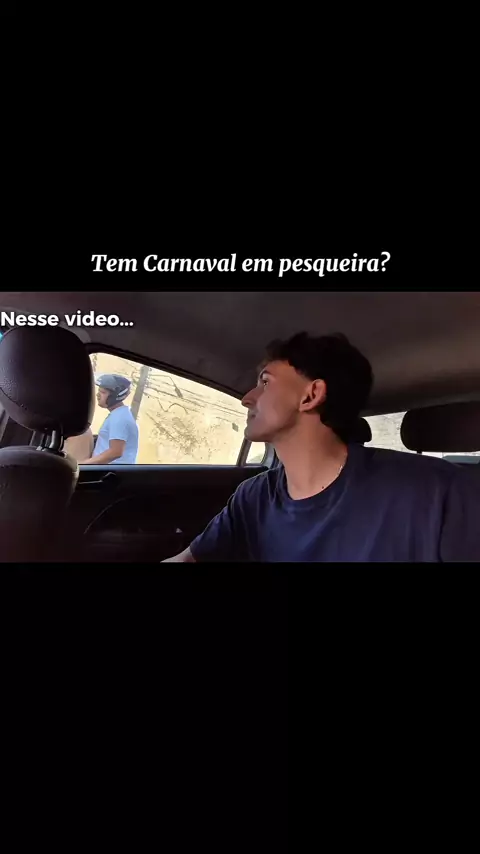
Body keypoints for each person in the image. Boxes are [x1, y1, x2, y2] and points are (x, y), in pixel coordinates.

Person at [162, 331, 480, 562]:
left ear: (311, 395)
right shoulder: (253, 497)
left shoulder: (440, 492)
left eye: (265, 382)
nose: (247, 398)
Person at [80, 374, 139, 465]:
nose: (98, 395)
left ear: (115, 396)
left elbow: (115, 452)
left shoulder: (119, 418)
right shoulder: (119, 414)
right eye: (99, 391)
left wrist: (82, 465)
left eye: (103, 392)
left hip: (109, 471)